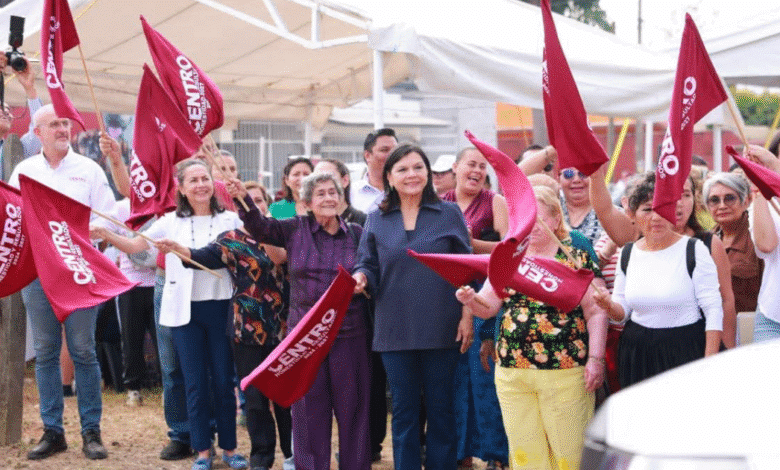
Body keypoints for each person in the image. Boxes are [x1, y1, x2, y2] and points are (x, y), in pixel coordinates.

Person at [91, 159, 248, 470]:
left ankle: (229, 448)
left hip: (221, 308)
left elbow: (253, 239)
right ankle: (202, 451)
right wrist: (108, 236)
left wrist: (244, 198)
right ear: (182, 188)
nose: (202, 184)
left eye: (205, 178)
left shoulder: (230, 219)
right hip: (183, 312)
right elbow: (137, 245)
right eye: (194, 180)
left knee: (223, 380)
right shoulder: (168, 221)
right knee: (193, 382)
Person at [455, 185, 607, 470]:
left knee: (569, 455)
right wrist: (470, 300)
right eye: (527, 218)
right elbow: (488, 306)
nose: (534, 225)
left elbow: (596, 311)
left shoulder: (574, 254)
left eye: (541, 217)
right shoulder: (508, 257)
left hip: (565, 371)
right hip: (513, 373)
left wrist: (596, 360)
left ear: (555, 220)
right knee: (525, 456)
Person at [230, 172, 372, 470]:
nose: (329, 198)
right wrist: (242, 198)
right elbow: (260, 227)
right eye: (320, 193)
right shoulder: (295, 228)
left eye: (333, 192)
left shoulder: (357, 232)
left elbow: (367, 263)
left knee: (354, 411)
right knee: (308, 412)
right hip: (306, 337)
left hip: (350, 333)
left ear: (342, 198)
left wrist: (363, 276)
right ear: (306, 202)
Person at [353, 144, 473, 470]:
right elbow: (366, 263)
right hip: (394, 328)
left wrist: (467, 316)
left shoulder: (449, 214)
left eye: (418, 167)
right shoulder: (377, 218)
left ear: (429, 173)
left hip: (443, 325)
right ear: (389, 177)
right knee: (404, 411)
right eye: (402, 170)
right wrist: (361, 277)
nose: (412, 175)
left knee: (441, 409)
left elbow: (466, 269)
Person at [156, 182, 292, 470]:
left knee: (285, 397)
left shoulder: (285, 233)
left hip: (285, 327)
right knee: (254, 399)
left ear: (263, 205)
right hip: (247, 329)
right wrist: (177, 248)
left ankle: (292, 454)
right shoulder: (231, 239)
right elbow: (199, 257)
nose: (249, 205)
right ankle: (261, 458)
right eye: (243, 201)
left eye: (255, 201)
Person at [9, 104, 115, 461]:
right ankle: (52, 430)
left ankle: (91, 432)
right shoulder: (24, 171)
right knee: (45, 352)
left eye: (64, 123)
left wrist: (96, 233)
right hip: (39, 273)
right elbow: (13, 219)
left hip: (79, 272)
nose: (62, 129)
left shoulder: (89, 170)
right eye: (53, 124)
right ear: (36, 133)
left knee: (84, 351)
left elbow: (109, 220)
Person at [594, 174, 723, 388]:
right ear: (632, 215)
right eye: (647, 209)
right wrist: (608, 306)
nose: (656, 217)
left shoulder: (694, 249)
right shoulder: (627, 253)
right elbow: (622, 312)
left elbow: (713, 309)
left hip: (686, 350)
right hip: (637, 354)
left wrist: (709, 362)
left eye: (662, 208)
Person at [441, 147, 509, 469]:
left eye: (482, 166)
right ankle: (460, 455)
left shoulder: (495, 201)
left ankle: (496, 455)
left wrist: (470, 245)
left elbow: (510, 247)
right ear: (455, 167)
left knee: (485, 380)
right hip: (446, 301)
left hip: (485, 298)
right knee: (453, 384)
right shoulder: (441, 202)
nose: (477, 170)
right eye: (471, 163)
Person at [113, 198, 159, 406]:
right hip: (131, 283)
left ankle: (167, 386)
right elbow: (109, 234)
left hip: (159, 280)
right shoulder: (121, 207)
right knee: (131, 338)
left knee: (163, 339)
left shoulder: (162, 205)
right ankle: (133, 388)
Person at [703, 172, 762, 315]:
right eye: (714, 200)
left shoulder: (758, 237)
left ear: (746, 201)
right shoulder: (704, 241)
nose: (722, 206)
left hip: (755, 328)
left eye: (729, 198)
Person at [744, 140, 780, 342]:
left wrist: (775, 169)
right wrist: (759, 187)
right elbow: (766, 246)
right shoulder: (764, 200)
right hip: (772, 317)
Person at [0, 59, 42, 179]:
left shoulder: (17, 148)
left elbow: (39, 129)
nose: (7, 112)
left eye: (9, 109)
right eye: (1, 107)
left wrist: (30, 89)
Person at [351, 128, 398, 213]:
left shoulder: (407, 190)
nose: (392, 155)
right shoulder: (350, 193)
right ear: (367, 156)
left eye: (395, 150)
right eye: (384, 150)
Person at [314, 158, 367, 226]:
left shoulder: (364, 222)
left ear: (345, 181)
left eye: (328, 177)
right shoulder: (308, 224)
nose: (322, 183)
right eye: (316, 178)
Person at [559, 166, 602, 245]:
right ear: (559, 179)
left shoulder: (610, 215)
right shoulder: (552, 209)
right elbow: (528, 180)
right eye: (568, 174)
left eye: (584, 173)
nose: (576, 180)